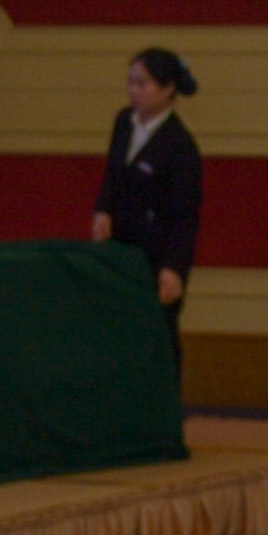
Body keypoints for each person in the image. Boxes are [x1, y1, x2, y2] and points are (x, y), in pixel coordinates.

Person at [93, 43, 205, 340]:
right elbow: (113, 174)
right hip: (120, 250)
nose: (133, 91)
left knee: (157, 333)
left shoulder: (180, 146)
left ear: (168, 89)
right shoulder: (124, 123)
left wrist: (174, 268)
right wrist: (103, 210)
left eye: (142, 84)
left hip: (155, 256)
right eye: (130, 82)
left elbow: (185, 217)